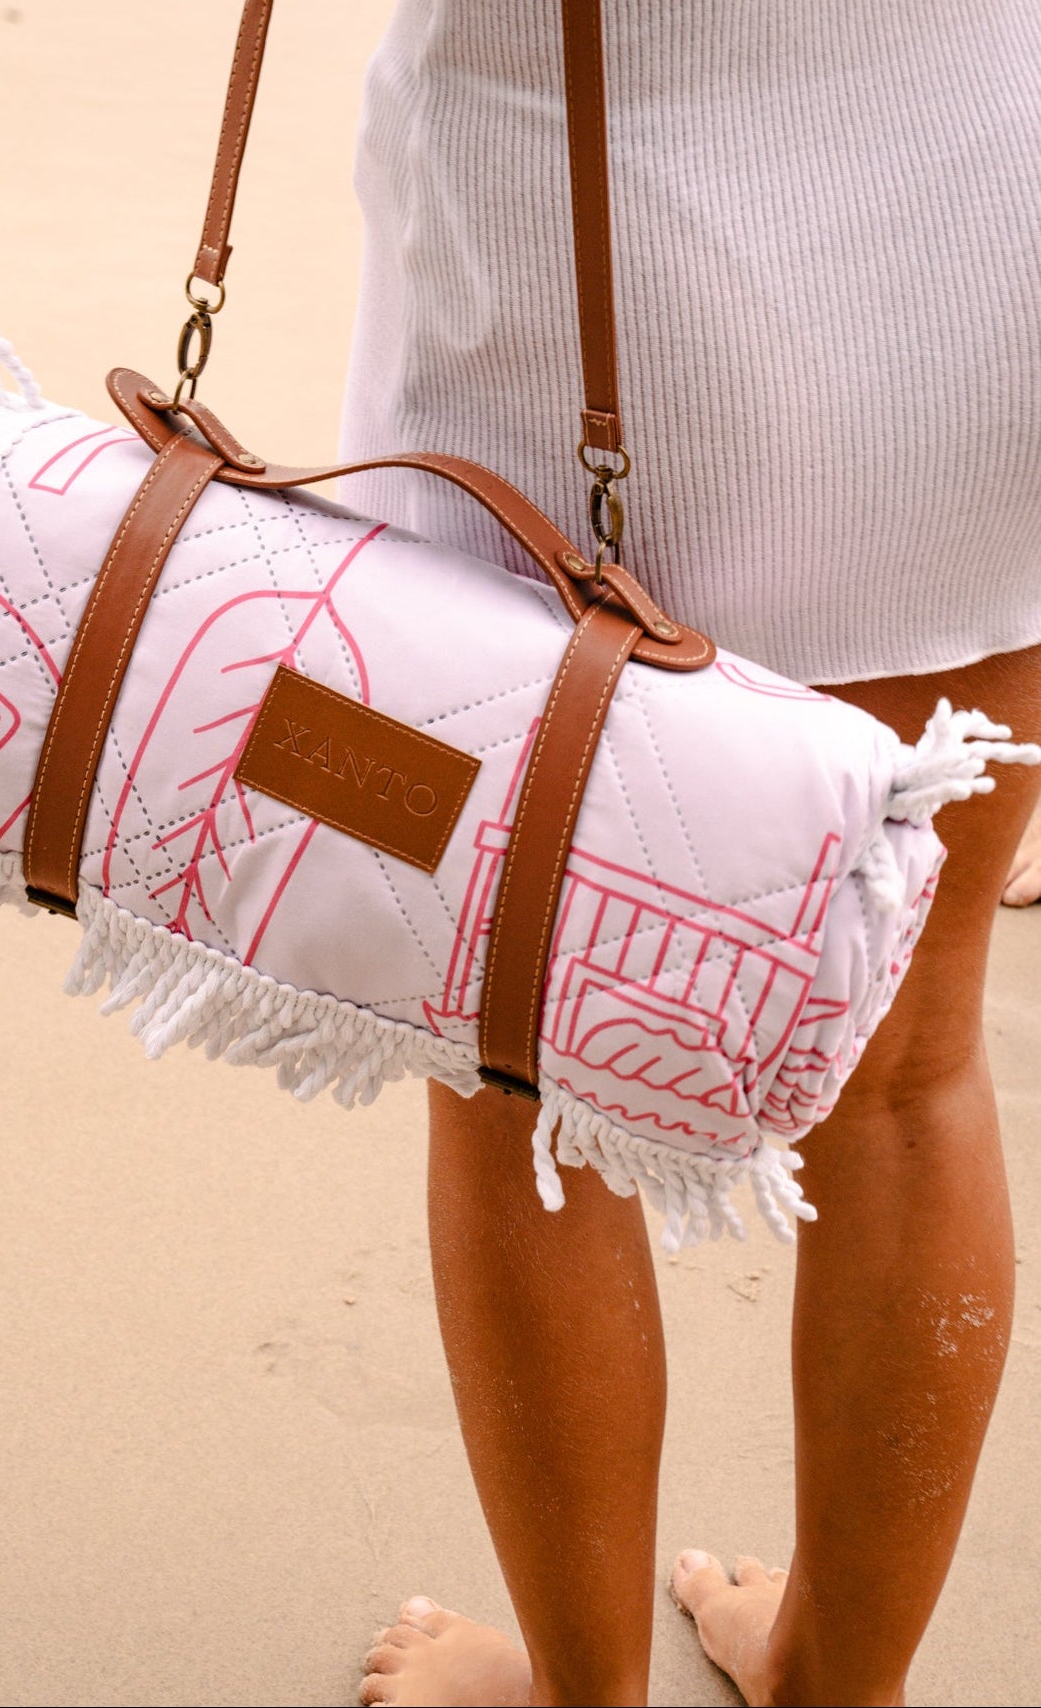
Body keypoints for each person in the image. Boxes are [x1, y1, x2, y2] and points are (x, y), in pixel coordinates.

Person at [337, 2, 1041, 1703]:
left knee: (513, 1061)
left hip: (579, 231)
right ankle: (830, 1689)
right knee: (907, 1060)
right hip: (977, 211)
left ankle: (586, 1696)